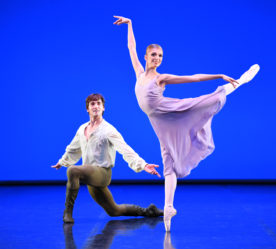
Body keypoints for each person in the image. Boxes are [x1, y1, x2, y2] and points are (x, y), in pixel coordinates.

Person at [113, 16, 260, 232]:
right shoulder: (139, 73)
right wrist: (130, 24)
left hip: (172, 110)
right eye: (153, 55)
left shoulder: (161, 78)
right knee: (168, 162)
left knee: (209, 100)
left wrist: (219, 75)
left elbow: (193, 78)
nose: (157, 58)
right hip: (160, 122)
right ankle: (169, 207)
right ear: (146, 57)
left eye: (160, 56)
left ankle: (239, 82)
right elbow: (131, 46)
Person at [51, 93, 163, 223]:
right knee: (114, 211)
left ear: (103, 108)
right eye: (92, 104)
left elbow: (125, 149)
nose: (96, 106)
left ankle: (67, 214)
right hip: (89, 175)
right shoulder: (82, 129)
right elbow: (73, 148)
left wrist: (143, 165)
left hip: (103, 173)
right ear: (87, 108)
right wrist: (62, 161)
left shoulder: (108, 130)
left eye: (99, 103)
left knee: (73, 171)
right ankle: (149, 211)